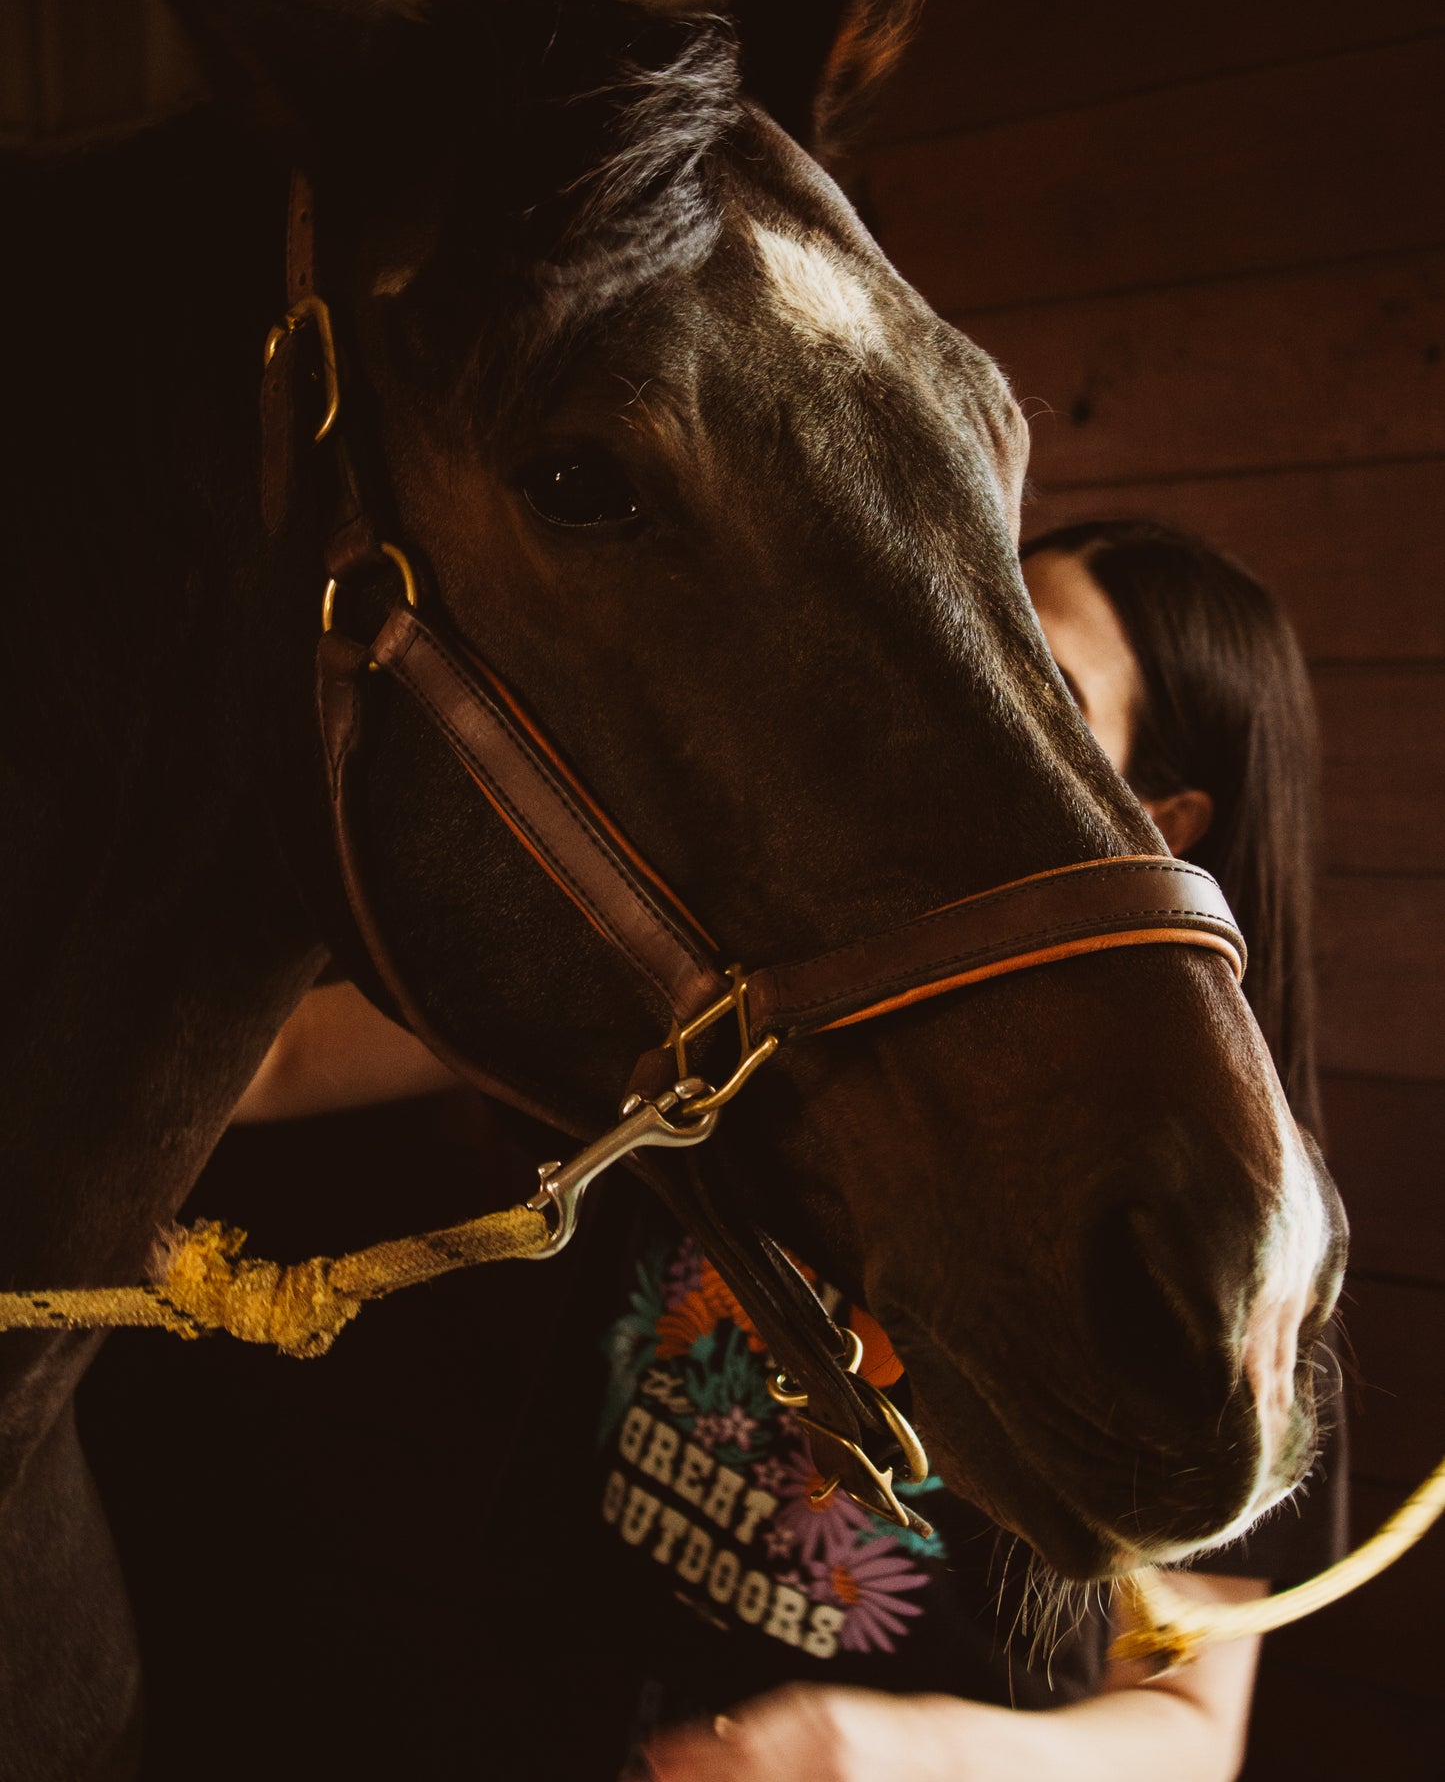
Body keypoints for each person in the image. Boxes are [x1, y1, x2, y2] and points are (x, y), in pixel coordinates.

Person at [227, 517, 1343, 1782]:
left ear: (1157, 817)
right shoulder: (748, 978)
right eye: (986, 644)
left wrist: (860, 1753)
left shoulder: (1213, 1237)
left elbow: (1191, 1729)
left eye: (1055, 688)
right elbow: (278, 1062)